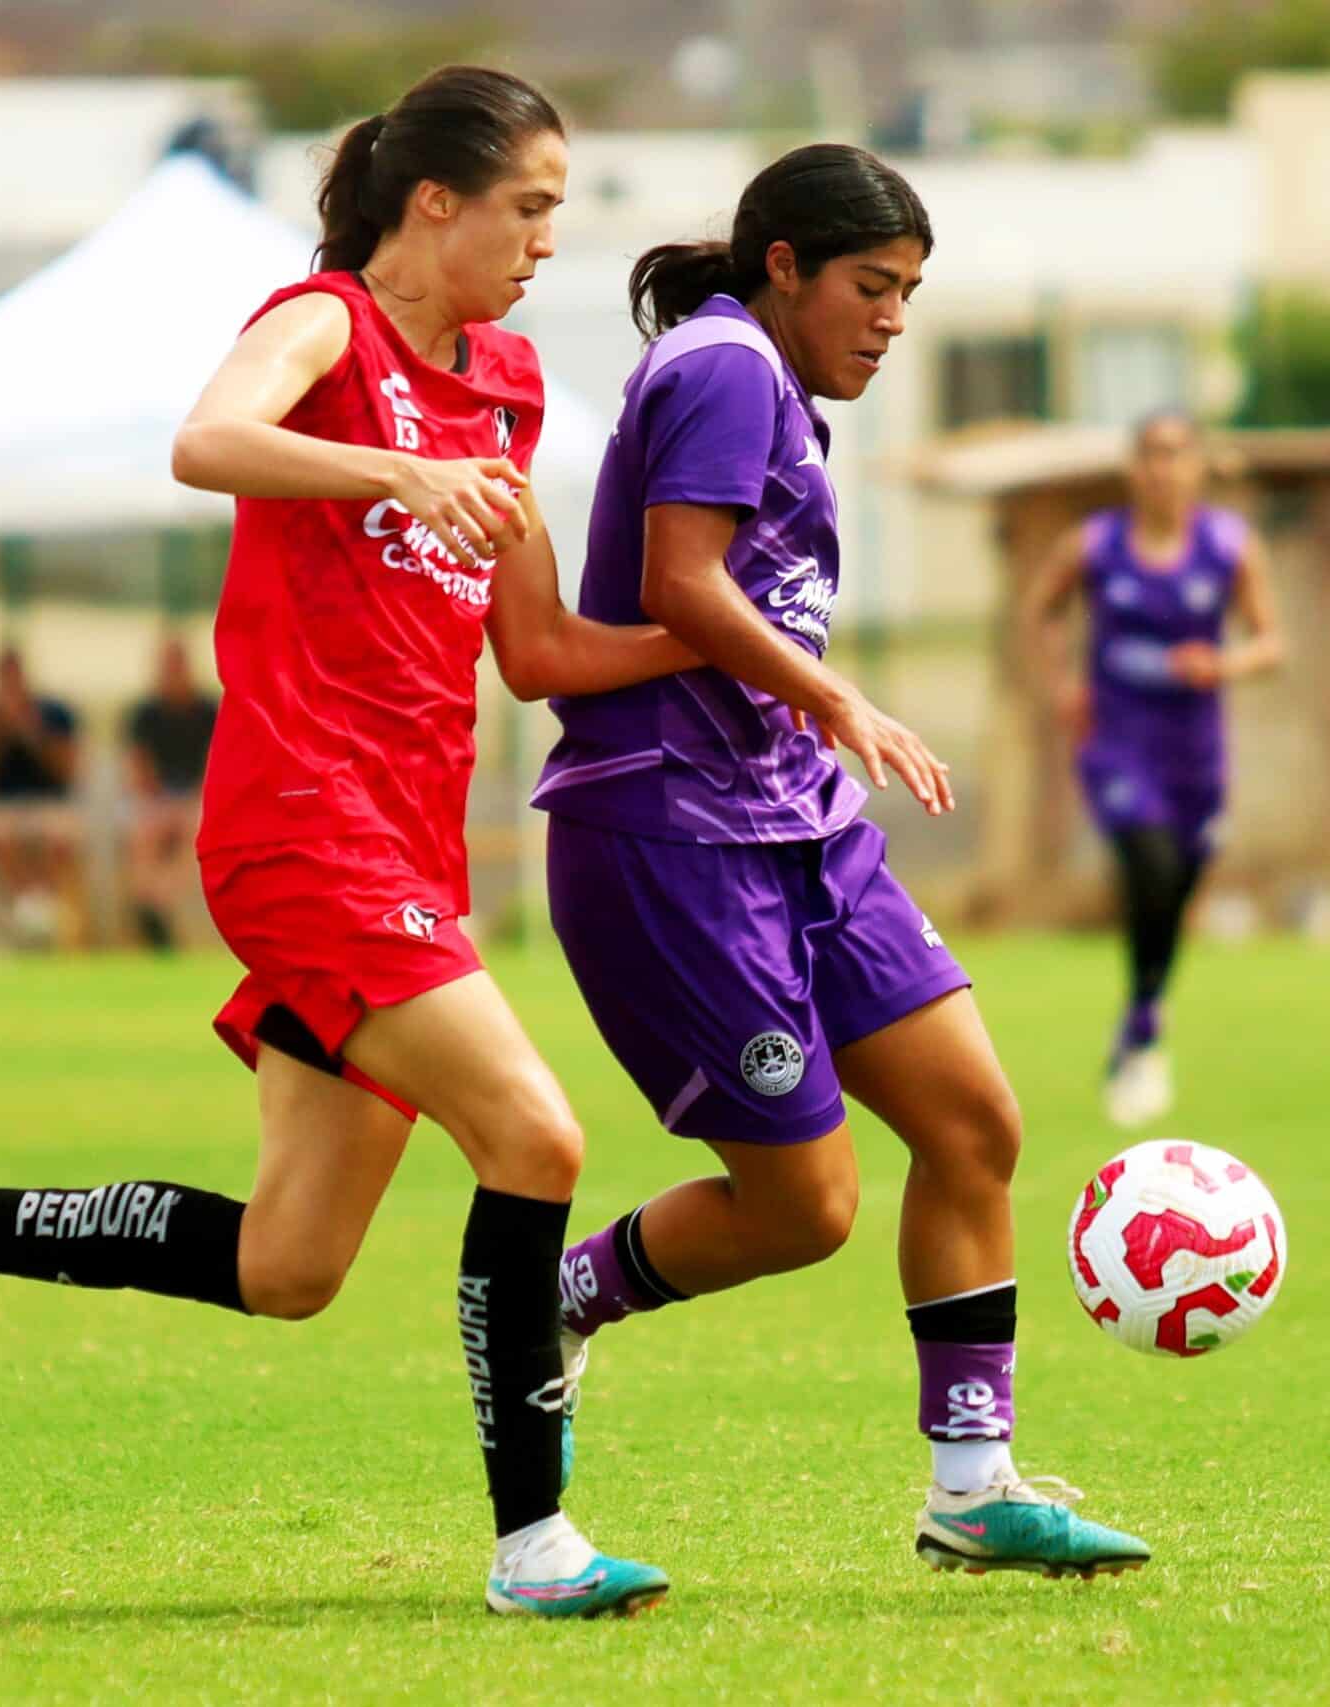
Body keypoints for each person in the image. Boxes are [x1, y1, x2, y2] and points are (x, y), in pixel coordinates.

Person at [0, 66, 689, 1620]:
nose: (551, 239)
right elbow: (206, 439)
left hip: (406, 854)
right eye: (530, 207)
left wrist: (740, 651)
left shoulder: (512, 381)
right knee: (539, 1141)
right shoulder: (325, 323)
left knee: (290, 1262)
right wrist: (395, 468)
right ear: (437, 203)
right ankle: (534, 1544)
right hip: (300, 828)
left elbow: (537, 651)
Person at [535, 144, 1152, 1580]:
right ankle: (554, 1295)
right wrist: (838, 697)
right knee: (804, 1208)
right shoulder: (725, 368)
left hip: (799, 821)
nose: (890, 319)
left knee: (973, 1123)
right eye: (871, 286)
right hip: (673, 834)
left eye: (912, 295)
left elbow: (736, 608)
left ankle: (974, 1484)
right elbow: (684, 586)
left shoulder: (784, 397)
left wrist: (815, 721)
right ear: (786, 267)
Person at [1020, 413, 1286, 1127]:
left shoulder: (1228, 548)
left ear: (1198, 468)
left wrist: (1222, 663)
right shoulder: (1097, 545)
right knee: (1151, 861)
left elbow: (1271, 644)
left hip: (1195, 752)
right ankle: (1142, 1030)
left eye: (1177, 455)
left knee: (1181, 880)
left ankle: (1143, 1010)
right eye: (1150, 455)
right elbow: (1042, 608)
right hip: (1117, 743)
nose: (1163, 468)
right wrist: (1061, 684)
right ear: (1132, 469)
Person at [0, 646, 83, 948]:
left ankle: (35, 913)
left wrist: (32, 732)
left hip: (47, 805)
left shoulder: (54, 715)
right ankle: (32, 911)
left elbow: (68, 774)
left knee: (59, 836)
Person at [122, 634, 219, 951]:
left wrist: (188, 803)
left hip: (196, 802)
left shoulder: (208, 711)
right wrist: (161, 803)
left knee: (197, 829)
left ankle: (155, 902)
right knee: (143, 833)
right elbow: (139, 771)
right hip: (157, 801)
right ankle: (151, 904)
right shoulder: (145, 715)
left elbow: (214, 767)